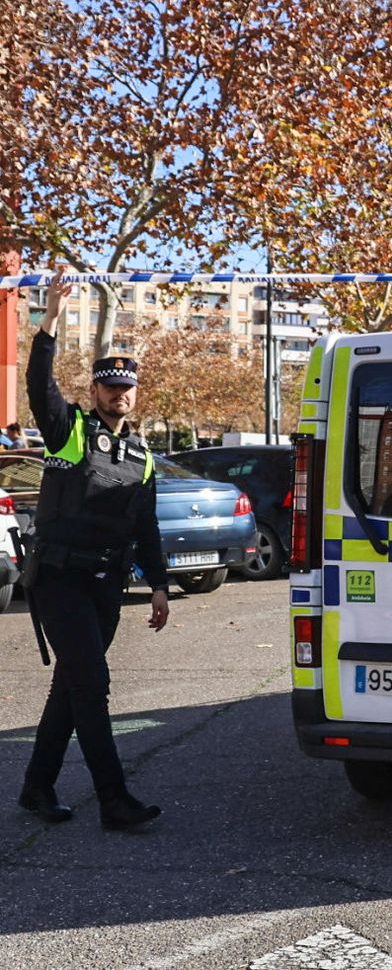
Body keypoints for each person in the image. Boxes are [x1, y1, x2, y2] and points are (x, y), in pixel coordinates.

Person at [16, 271, 168, 831]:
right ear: (96, 390)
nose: (118, 393)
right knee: (93, 684)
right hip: (58, 579)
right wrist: (49, 319)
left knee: (72, 686)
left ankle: (36, 787)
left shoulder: (142, 454)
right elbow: (39, 388)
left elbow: (146, 524)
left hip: (106, 583)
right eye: (108, 385)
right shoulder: (70, 429)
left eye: (126, 386)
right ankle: (114, 800)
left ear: (135, 392)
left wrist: (158, 584)